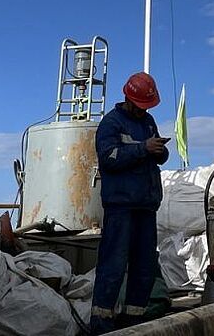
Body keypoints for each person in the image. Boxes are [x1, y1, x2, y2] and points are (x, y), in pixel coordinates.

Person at [90, 72, 169, 334]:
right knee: (113, 265)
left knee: (144, 266)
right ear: (128, 98)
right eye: (141, 105)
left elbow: (156, 155)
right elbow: (109, 158)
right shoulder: (111, 124)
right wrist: (143, 149)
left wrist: (160, 150)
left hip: (145, 206)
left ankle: (134, 322)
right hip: (121, 206)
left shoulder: (148, 122)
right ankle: (102, 323)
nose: (144, 110)